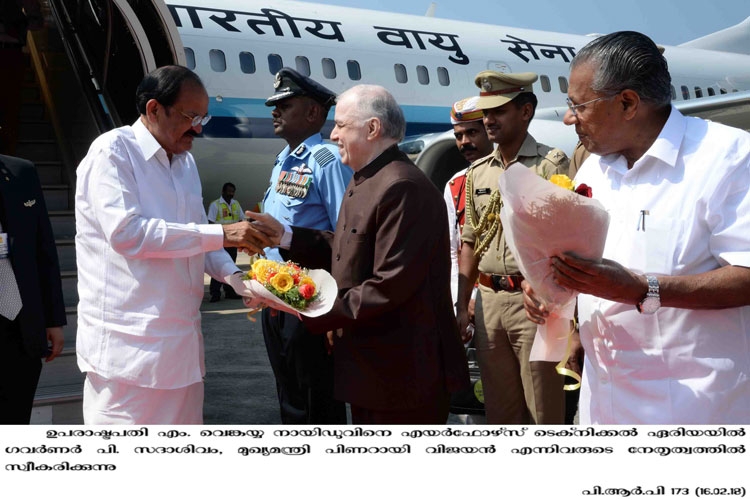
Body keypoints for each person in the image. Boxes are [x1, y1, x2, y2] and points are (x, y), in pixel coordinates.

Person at [523, 31, 750, 424]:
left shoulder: (728, 157)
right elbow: (590, 264)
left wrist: (643, 290)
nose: (567, 118)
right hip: (604, 398)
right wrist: (553, 290)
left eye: (579, 106)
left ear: (627, 103)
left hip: (694, 406)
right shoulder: (597, 166)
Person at [250, 84, 469, 424]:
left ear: (372, 129)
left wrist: (309, 307)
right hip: (370, 367)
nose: (333, 134)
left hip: (402, 373)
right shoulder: (366, 179)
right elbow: (347, 247)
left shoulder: (401, 187)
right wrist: (287, 236)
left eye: (341, 125)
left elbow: (389, 285)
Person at [75, 65, 273, 425]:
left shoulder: (185, 162)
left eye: (203, 117)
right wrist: (225, 234)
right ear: (154, 109)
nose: (199, 127)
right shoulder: (113, 153)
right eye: (191, 116)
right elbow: (128, 234)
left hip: (181, 349)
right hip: (127, 354)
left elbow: (197, 233)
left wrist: (236, 277)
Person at [456, 71, 570, 425]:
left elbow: (567, 241)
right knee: (499, 413)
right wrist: (462, 306)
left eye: (498, 111)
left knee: (543, 412)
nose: (488, 120)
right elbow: (470, 243)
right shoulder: (477, 172)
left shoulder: (551, 166)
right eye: (485, 112)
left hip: (535, 305)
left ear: (525, 111)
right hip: (489, 304)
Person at [259, 67, 352, 424]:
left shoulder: (325, 162)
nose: (275, 111)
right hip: (275, 297)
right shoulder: (283, 161)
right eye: (274, 105)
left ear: (313, 113)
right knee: (290, 397)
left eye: (285, 104)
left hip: (311, 300)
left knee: (316, 400)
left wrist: (335, 311)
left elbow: (345, 239)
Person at [0, 154, 65, 424]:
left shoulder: (21, 172)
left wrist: (53, 320)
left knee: (14, 418)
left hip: (18, 321)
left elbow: (43, 247)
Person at [444, 96, 493, 307]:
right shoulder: (455, 184)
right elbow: (453, 251)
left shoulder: (513, 174)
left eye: (472, 133)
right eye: (459, 136)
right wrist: (461, 300)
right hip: (469, 299)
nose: (464, 142)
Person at [207, 182, 246, 302]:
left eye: (232, 191)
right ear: (223, 192)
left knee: (230, 266)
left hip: (233, 241)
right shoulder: (215, 205)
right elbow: (210, 222)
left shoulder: (236, 204)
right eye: (229, 191)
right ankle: (215, 293)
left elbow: (241, 219)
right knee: (219, 266)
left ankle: (229, 292)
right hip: (220, 241)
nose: (231, 194)